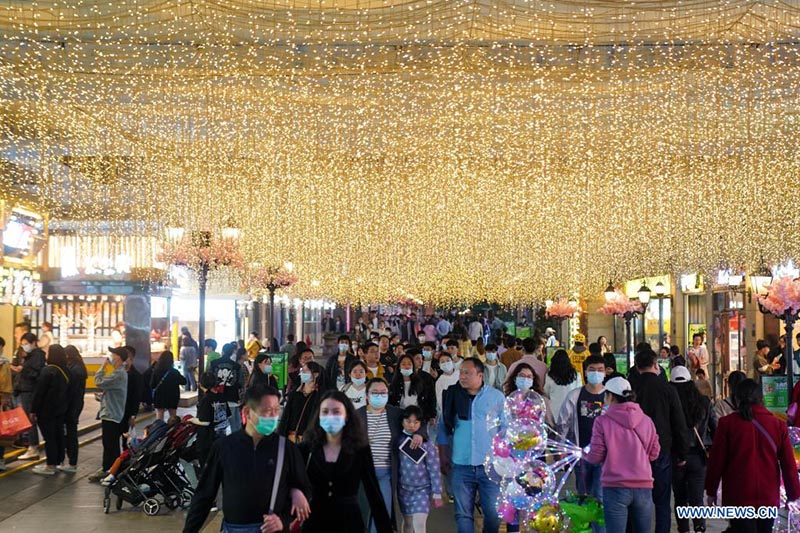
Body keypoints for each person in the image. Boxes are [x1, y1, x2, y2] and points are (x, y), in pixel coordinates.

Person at [184, 384, 312, 533]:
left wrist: (283, 521)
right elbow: (204, 495)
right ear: (247, 412)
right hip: (233, 528)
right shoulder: (224, 447)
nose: (273, 417)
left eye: (276, 411)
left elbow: (305, 490)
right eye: (266, 411)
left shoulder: (286, 449)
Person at [705, 379, 800, 533]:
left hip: (738, 495)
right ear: (760, 398)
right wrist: (793, 493)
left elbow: (716, 461)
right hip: (767, 496)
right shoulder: (777, 425)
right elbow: (788, 464)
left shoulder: (727, 424)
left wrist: (711, 490)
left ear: (737, 398)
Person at [299, 390, 392, 533]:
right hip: (314, 521)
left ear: (347, 416)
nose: (330, 416)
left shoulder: (360, 449)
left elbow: (373, 492)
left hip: (349, 522)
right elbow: (291, 481)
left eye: (336, 412)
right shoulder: (307, 448)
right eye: (325, 412)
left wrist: (385, 528)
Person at [438, 358, 505, 533]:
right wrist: (442, 454)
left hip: (490, 466)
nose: (462, 376)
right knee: (463, 514)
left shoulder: (496, 397)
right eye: (461, 372)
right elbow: (442, 426)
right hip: (461, 465)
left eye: (467, 373)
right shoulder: (452, 395)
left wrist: (506, 459)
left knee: (493, 514)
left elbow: (505, 429)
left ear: (480, 375)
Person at [585, 377, 660, 533]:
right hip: (643, 485)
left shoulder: (602, 421)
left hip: (614, 486)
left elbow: (596, 456)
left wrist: (587, 456)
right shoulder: (647, 420)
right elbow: (654, 453)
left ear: (611, 396)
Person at [631, 348, 689, 533]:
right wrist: (682, 452)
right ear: (656, 365)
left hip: (634, 451)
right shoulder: (667, 388)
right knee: (662, 501)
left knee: (636, 499)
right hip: (663, 449)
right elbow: (678, 422)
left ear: (637, 366)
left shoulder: (631, 387)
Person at [358, 377, 426, 531]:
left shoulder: (395, 414)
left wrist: (419, 434)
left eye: (383, 392)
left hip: (386, 473)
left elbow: (417, 420)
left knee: (382, 512)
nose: (379, 396)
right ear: (367, 395)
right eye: (375, 392)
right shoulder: (357, 415)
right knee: (362, 513)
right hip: (362, 473)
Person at [556, 354, 607, 519]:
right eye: (592, 370)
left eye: (600, 370)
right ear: (585, 372)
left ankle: (599, 529)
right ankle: (586, 527)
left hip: (605, 456)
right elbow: (563, 422)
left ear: (605, 372)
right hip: (581, 454)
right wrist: (561, 447)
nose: (596, 373)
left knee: (599, 496)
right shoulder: (575, 395)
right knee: (583, 494)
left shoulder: (610, 396)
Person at [669, 366, 716, 533]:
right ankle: (700, 528)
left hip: (676, 456)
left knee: (680, 498)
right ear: (691, 382)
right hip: (698, 456)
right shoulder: (704, 402)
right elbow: (714, 427)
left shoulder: (669, 402)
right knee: (697, 499)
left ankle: (684, 530)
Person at [397, 405, 442, 533]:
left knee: (419, 523)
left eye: (416, 422)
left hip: (422, 489)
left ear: (421, 424)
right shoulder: (398, 441)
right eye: (408, 421)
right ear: (402, 422)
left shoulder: (427, 444)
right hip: (403, 489)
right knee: (407, 523)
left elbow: (434, 468)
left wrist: (437, 492)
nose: (412, 425)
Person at [88, 346, 129, 482]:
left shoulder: (118, 373)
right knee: (110, 443)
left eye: (113, 354)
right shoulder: (120, 372)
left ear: (118, 357)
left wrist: (103, 367)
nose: (110, 356)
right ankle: (111, 469)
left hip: (112, 413)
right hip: (112, 412)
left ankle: (110, 470)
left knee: (110, 444)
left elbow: (98, 381)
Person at [30, 344, 70, 475]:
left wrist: (33, 409)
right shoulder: (65, 371)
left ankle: (50, 465)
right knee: (58, 436)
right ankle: (58, 462)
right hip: (60, 410)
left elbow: (39, 392)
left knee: (49, 438)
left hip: (46, 410)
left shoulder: (48, 371)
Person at [12, 332, 46, 460]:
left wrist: (23, 369)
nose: (24, 346)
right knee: (27, 419)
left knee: (30, 419)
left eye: (26, 344)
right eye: (22, 344)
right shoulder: (28, 355)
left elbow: (36, 374)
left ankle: (33, 447)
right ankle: (32, 445)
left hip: (30, 390)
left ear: (33, 343)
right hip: (23, 389)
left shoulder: (37, 355)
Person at [279, 361, 325, 443]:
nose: (302, 374)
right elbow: (286, 417)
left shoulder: (321, 396)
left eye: (305, 371)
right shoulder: (295, 393)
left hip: (309, 439)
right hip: (291, 438)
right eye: (302, 371)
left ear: (315, 374)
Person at [389, 354, 436, 424]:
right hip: (400, 417)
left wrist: (432, 415)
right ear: (399, 367)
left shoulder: (420, 382)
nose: (406, 366)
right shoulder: (394, 384)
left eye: (409, 364)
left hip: (418, 417)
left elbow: (430, 398)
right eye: (403, 364)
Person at [210, 342, 246, 433]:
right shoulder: (237, 366)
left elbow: (209, 379)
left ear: (222, 351)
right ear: (232, 353)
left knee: (219, 426)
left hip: (217, 398)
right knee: (235, 426)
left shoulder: (213, 364)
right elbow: (241, 382)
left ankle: (220, 444)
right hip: (232, 398)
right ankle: (235, 445)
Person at [545, 349, 583, 417]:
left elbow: (546, 392)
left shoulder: (550, 376)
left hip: (554, 411)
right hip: (571, 409)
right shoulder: (576, 375)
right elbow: (579, 392)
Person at [151, 350, 186, 422]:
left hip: (160, 396)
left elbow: (152, 385)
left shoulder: (156, 371)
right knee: (173, 416)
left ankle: (159, 430)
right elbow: (184, 381)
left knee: (159, 415)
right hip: (172, 396)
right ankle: (172, 430)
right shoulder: (174, 372)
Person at [121, 345, 143, 450]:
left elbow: (136, 397)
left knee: (125, 439)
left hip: (127, 411)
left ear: (131, 358)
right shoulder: (117, 373)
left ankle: (125, 459)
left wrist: (133, 415)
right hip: (116, 411)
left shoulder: (136, 376)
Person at [0, 337, 12, 471]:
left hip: (0, 400)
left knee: (1, 432)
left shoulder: (4, 363)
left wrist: (4, 402)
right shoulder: (4, 362)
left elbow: (6, 384)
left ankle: (0, 459)